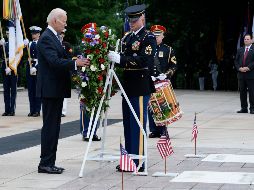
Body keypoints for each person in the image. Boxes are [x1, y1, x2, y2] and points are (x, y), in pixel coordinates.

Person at [36, 8, 90, 174]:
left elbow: (61, 59)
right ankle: (45, 163)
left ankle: (49, 162)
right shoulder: (46, 38)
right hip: (50, 90)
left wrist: (75, 61)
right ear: (54, 21)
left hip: (55, 89)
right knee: (50, 127)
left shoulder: (53, 37)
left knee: (54, 127)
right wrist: (76, 64)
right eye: (64, 20)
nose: (66, 23)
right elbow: (54, 61)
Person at [108, 4, 157, 172]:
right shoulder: (127, 38)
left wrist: (121, 59)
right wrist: (116, 57)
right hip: (128, 86)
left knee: (138, 124)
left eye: (134, 21)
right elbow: (127, 56)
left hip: (140, 86)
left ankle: (140, 161)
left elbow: (145, 60)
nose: (131, 23)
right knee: (128, 125)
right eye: (130, 21)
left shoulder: (148, 37)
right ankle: (129, 159)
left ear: (141, 19)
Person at [148, 24, 177, 138]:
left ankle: (163, 130)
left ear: (163, 36)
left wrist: (165, 75)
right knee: (151, 106)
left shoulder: (168, 50)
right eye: (154, 35)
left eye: (158, 35)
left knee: (163, 105)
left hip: (162, 82)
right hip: (150, 81)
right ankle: (154, 130)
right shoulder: (148, 49)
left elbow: (174, 66)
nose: (156, 38)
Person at [234, 33, 254, 114]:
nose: (246, 40)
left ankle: (252, 108)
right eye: (245, 39)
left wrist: (248, 67)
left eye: (248, 39)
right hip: (241, 75)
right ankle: (244, 108)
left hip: (251, 75)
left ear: (251, 40)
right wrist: (239, 68)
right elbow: (236, 61)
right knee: (242, 92)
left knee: (252, 92)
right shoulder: (240, 50)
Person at [0, 29, 17, 116]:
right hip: (4, 68)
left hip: (13, 69)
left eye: (9, 33)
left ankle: (12, 110)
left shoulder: (16, 45)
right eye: (6, 33)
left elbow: (18, 58)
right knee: (6, 90)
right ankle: (7, 110)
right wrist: (0, 45)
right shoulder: (4, 44)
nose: (7, 35)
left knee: (13, 90)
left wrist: (11, 67)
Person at [26, 26, 42, 117]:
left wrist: (36, 67)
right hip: (29, 66)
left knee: (37, 89)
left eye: (35, 33)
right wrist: (25, 45)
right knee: (31, 90)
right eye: (32, 34)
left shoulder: (40, 43)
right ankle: (32, 109)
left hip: (37, 67)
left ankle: (37, 110)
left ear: (39, 34)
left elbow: (41, 58)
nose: (33, 35)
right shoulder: (30, 43)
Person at [59, 29, 73, 117]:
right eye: (60, 33)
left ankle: (63, 111)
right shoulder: (54, 43)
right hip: (57, 68)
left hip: (64, 68)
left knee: (63, 90)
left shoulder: (66, 45)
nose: (61, 35)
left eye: (62, 34)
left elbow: (70, 56)